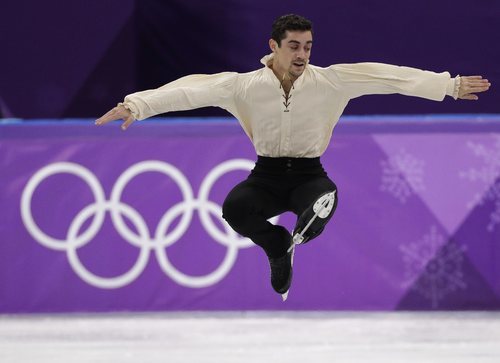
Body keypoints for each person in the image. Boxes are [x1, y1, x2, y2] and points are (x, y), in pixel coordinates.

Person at [95, 14, 491, 299]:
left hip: (308, 175)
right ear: (274, 47)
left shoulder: (331, 82)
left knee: (320, 205)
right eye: (294, 46)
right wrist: (137, 105)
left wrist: (448, 85)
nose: (302, 53)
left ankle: (303, 227)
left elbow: (387, 76)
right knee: (234, 208)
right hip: (265, 176)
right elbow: (190, 90)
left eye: (307, 46)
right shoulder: (243, 86)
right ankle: (276, 245)